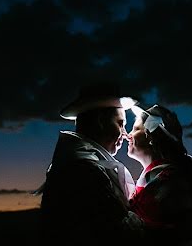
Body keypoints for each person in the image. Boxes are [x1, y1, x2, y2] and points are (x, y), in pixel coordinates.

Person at [38, 83, 143, 243]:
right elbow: (119, 234)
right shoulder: (85, 170)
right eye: (120, 124)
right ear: (101, 121)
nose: (125, 134)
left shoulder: (75, 163)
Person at [126, 104, 192, 245]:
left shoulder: (171, 180)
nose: (128, 135)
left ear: (151, 137)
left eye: (135, 129)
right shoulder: (158, 177)